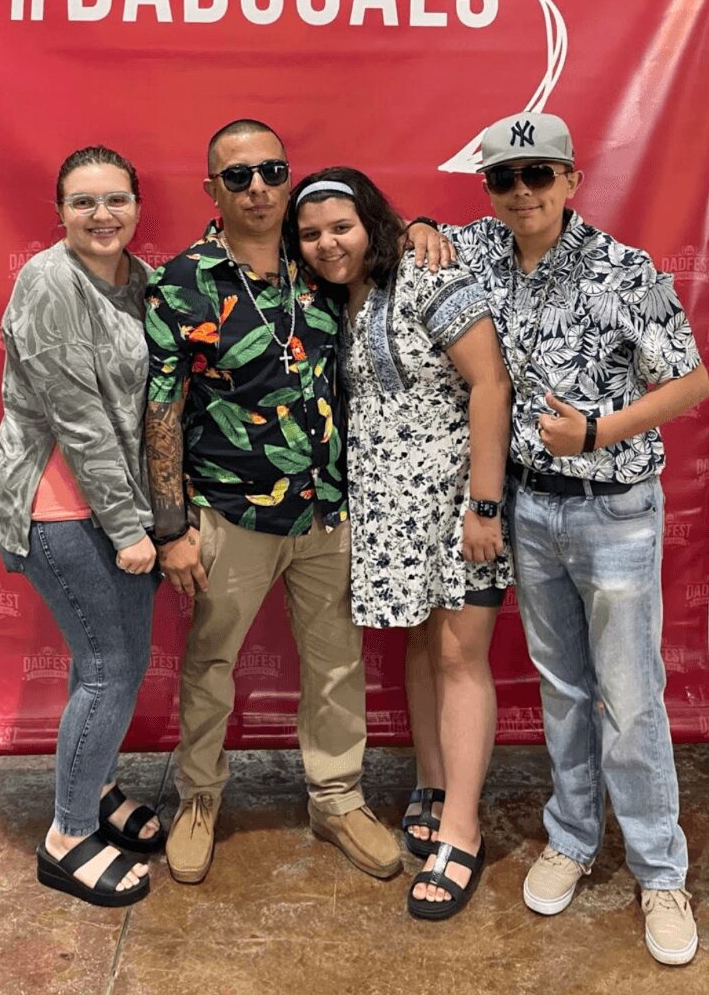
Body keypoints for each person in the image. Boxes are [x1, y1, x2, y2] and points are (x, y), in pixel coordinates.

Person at [143, 119, 449, 886]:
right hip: (230, 511)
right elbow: (161, 409)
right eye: (237, 176)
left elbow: (379, 238)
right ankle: (199, 798)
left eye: (271, 171)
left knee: (336, 663)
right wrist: (172, 525)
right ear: (211, 189)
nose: (257, 187)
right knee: (211, 661)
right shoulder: (183, 282)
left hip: (327, 506)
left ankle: (336, 798)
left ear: (288, 178)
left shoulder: (318, 260)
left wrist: (418, 225)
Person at [444, 112, 708, 964]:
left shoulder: (623, 269)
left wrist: (597, 430)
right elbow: (410, 233)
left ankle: (659, 870)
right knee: (561, 686)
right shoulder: (480, 251)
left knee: (628, 697)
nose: (520, 191)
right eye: (503, 177)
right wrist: (413, 228)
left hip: (614, 508)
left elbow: (691, 379)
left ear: (569, 179)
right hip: (530, 509)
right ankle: (571, 834)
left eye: (537, 174)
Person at [288, 167, 513, 921]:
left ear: (370, 223)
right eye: (311, 233)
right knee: (422, 645)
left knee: (458, 656)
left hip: (457, 504)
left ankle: (461, 830)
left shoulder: (425, 274)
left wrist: (483, 505)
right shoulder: (330, 300)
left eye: (341, 227)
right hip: (389, 513)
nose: (327, 243)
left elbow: (490, 383)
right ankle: (433, 780)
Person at [0, 146, 164, 908]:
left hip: (119, 505)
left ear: (137, 205)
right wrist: (130, 528)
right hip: (59, 508)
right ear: (59, 211)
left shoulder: (141, 281)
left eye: (116, 199)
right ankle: (68, 837)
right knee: (109, 668)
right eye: (83, 201)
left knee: (109, 662)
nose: (102, 214)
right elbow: (81, 418)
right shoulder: (48, 279)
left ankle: (93, 786)